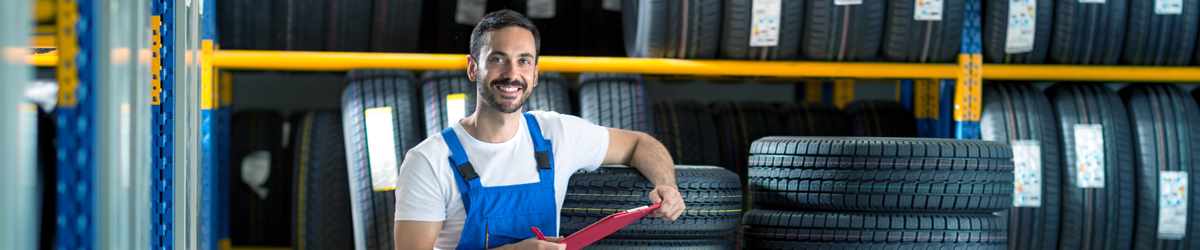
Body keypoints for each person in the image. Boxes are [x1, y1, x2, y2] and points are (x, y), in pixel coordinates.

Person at [391, 9, 686, 250]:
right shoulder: (428, 162)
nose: (511, 74)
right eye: (497, 59)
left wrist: (666, 185)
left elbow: (639, 144)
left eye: (523, 61)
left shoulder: (557, 135)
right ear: (472, 68)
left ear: (534, 74)